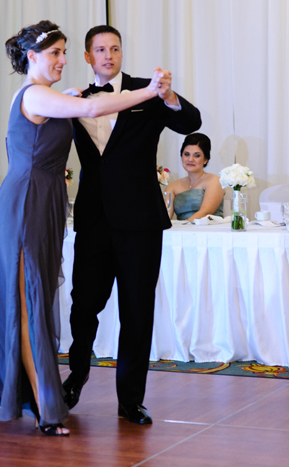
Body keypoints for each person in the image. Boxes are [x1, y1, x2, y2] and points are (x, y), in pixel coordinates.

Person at [0, 20, 168, 436]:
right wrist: (150, 91)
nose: (64, 60)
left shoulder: (48, 95)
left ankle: (33, 394)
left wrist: (70, 93)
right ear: (32, 57)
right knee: (28, 302)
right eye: (55, 53)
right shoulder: (35, 94)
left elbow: (71, 103)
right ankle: (45, 406)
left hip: (44, 203)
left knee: (34, 300)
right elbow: (89, 109)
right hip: (26, 205)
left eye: (65, 52)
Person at [63, 25, 201, 425]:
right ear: (88, 57)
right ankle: (77, 375)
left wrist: (169, 95)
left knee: (137, 311)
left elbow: (190, 120)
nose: (108, 55)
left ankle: (130, 400)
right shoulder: (74, 100)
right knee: (83, 304)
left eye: (115, 48)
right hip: (92, 218)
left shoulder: (147, 91)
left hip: (140, 221)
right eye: (100, 49)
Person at [165, 133, 224, 221]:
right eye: (186, 154)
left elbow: (205, 212)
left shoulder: (214, 181)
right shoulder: (172, 186)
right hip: (181, 232)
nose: (190, 159)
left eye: (197, 155)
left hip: (209, 231)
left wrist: (183, 227)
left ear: (205, 159)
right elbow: (166, 217)